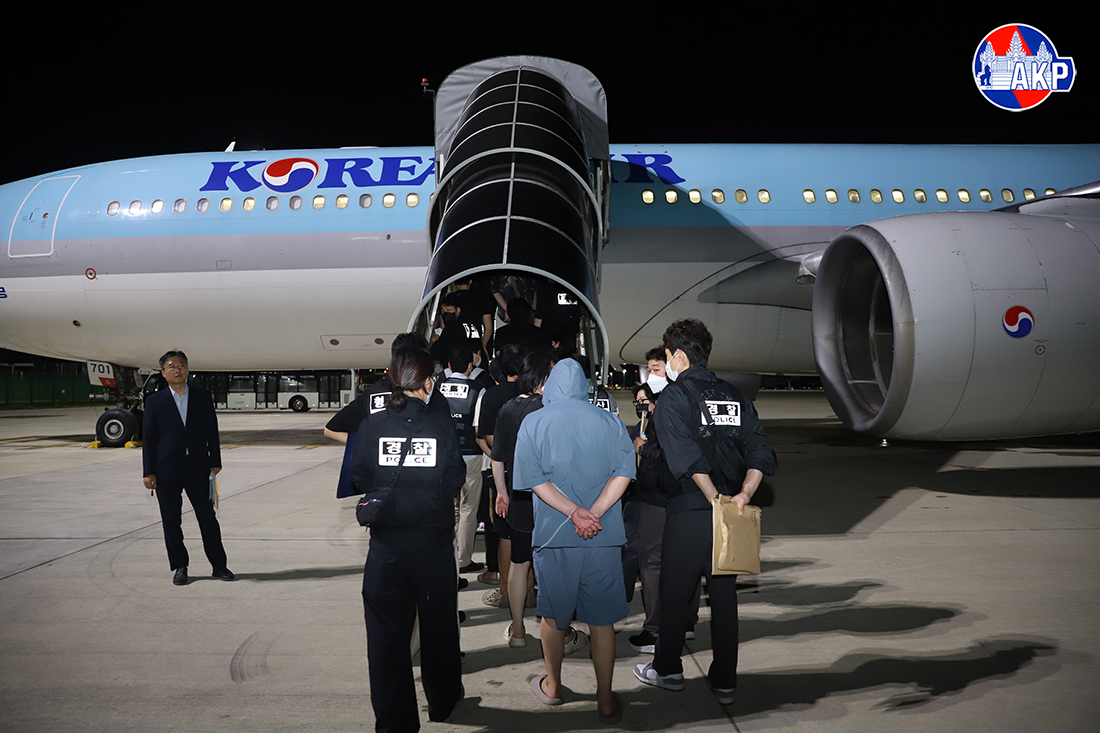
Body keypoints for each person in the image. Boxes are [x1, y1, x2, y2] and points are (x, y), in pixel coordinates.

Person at [633, 319, 777, 706]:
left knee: (675, 592)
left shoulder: (674, 397)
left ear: (679, 356)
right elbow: (759, 450)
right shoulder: (734, 395)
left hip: (692, 508)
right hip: (732, 509)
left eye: (667, 356)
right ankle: (725, 680)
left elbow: (686, 459)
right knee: (724, 596)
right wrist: (742, 495)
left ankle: (667, 668)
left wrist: (715, 498)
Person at [513, 358, 635, 723]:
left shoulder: (534, 422)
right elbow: (624, 473)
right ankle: (605, 700)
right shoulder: (610, 421)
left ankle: (553, 686)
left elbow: (535, 479)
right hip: (603, 536)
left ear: (551, 386)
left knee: (553, 616)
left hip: (555, 537)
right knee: (602, 621)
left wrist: (573, 512)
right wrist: (593, 512)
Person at [353, 348, 467, 732]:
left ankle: (395, 722)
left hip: (387, 549)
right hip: (433, 547)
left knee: (386, 639)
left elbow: (359, 476)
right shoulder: (441, 426)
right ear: (428, 383)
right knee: (439, 630)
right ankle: (443, 701)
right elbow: (455, 477)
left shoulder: (372, 425)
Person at [142, 350, 232, 586]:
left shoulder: (202, 397)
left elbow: (212, 430)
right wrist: (148, 471)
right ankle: (180, 567)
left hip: (198, 468)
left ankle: (219, 566)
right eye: (172, 366)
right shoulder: (155, 401)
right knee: (171, 520)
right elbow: (149, 438)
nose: (177, 370)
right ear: (163, 373)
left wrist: (215, 461)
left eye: (181, 365)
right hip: (166, 470)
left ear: (187, 369)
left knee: (207, 518)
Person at [624, 383, 701, 654]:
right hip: (686, 497)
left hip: (658, 498)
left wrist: (642, 449)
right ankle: (687, 620)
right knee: (685, 561)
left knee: (652, 562)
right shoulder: (688, 412)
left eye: (644, 400)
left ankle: (656, 628)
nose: (641, 405)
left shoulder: (661, 420)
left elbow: (666, 454)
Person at [490, 350, 553, 647]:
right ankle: (559, 632)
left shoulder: (508, 409)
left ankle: (517, 631)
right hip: (553, 497)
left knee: (520, 563)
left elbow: (497, 458)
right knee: (552, 564)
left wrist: (502, 493)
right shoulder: (551, 408)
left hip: (520, 497)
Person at [437, 343, 487, 572]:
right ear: (471, 365)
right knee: (468, 508)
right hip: (470, 455)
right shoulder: (478, 390)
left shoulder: (436, 387)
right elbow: (479, 427)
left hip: (444, 456)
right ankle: (464, 560)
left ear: (448, 365)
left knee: (452, 507)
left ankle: (450, 557)